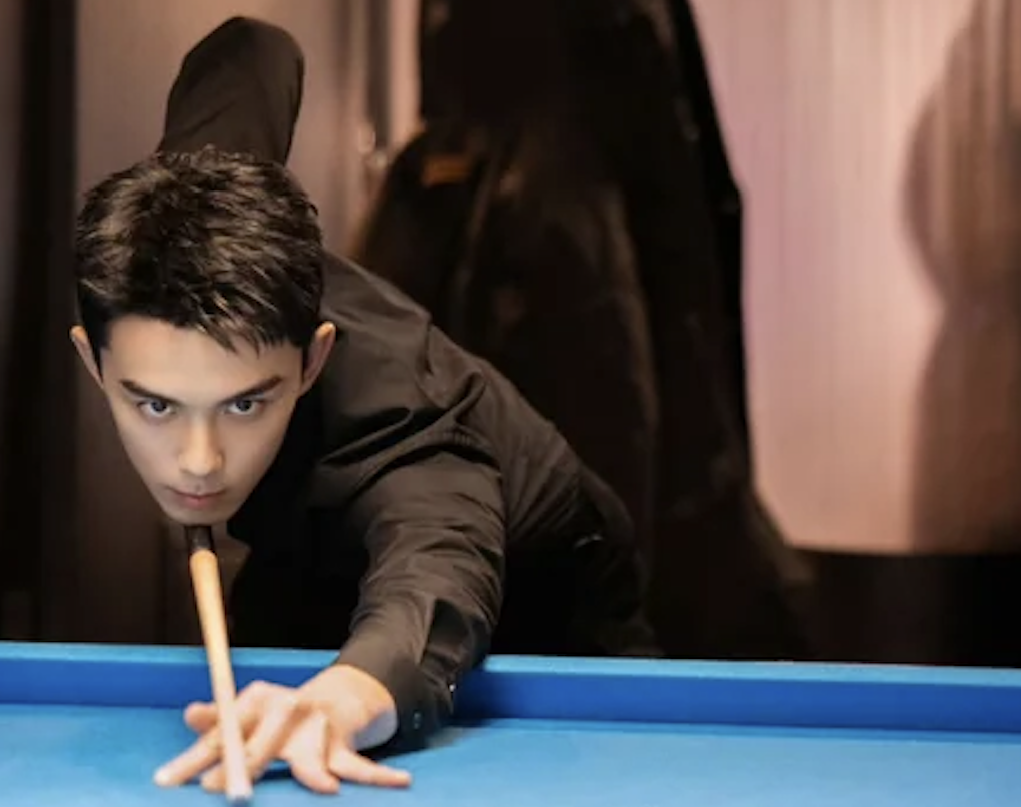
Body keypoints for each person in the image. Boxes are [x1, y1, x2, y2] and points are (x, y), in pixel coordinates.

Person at [70, 19, 657, 797]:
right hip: (308, 548)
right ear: (94, 362)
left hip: (545, 603)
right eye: (155, 405)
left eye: (244, 404)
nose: (198, 461)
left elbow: (435, 569)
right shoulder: (196, 215)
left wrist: (349, 695)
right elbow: (254, 51)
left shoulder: (400, 427)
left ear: (312, 359)